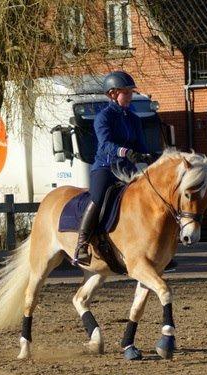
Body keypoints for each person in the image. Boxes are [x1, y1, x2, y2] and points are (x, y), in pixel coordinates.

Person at [73, 70, 152, 266]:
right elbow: (106, 144)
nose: (130, 95)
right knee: (98, 198)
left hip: (127, 169)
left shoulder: (133, 118)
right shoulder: (103, 117)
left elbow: (141, 145)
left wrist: (151, 157)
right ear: (113, 94)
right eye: (126, 92)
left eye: (130, 92)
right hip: (105, 167)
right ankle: (82, 244)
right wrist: (126, 152)